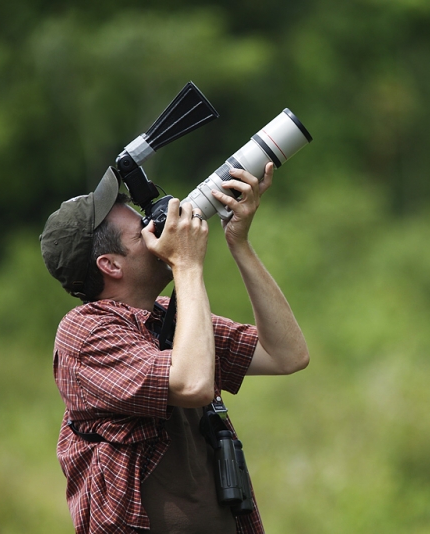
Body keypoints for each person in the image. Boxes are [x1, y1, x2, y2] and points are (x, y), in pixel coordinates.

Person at [40, 162, 309, 534]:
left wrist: (239, 242)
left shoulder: (165, 318)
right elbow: (192, 384)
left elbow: (286, 355)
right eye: (142, 231)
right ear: (110, 265)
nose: (160, 230)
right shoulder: (85, 333)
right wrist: (186, 265)